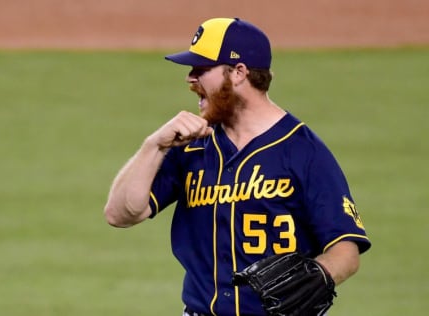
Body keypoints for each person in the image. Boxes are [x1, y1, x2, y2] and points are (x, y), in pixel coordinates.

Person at [104, 17, 371, 316]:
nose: (190, 79)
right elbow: (120, 214)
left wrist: (320, 273)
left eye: (202, 69)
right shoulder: (190, 145)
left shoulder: (303, 151)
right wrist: (154, 145)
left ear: (239, 73)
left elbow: (346, 249)